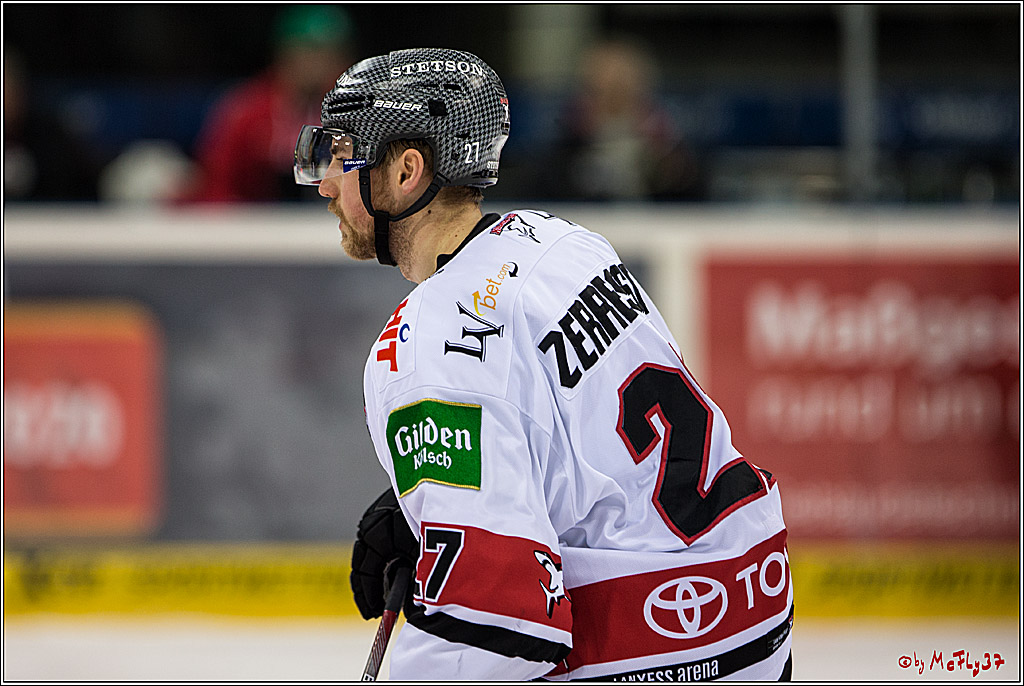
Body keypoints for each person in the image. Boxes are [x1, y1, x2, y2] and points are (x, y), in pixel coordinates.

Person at [294, 48, 792, 680]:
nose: (326, 183)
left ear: (407, 171)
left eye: (340, 157)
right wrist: (460, 496)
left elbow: (495, 624)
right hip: (756, 608)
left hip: (648, 647)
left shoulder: (421, 349)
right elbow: (586, 438)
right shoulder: (563, 243)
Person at [184, 5, 354, 203]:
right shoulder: (245, 109)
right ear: (285, 54)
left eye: (329, 54)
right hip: (252, 224)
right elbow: (215, 184)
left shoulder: (355, 112)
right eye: (309, 51)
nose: (318, 64)